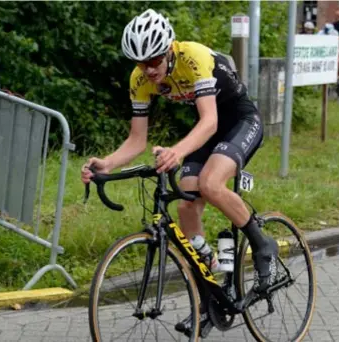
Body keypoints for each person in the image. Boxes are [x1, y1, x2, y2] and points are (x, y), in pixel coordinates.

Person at [81, 8, 278, 337]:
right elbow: (136, 139)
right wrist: (107, 162)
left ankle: (262, 244)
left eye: (155, 60)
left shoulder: (194, 57)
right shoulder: (140, 79)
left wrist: (177, 151)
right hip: (208, 129)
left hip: (240, 121)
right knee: (187, 203)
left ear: (169, 49)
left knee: (210, 184)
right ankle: (212, 293)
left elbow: (211, 121)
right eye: (141, 62)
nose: (149, 69)